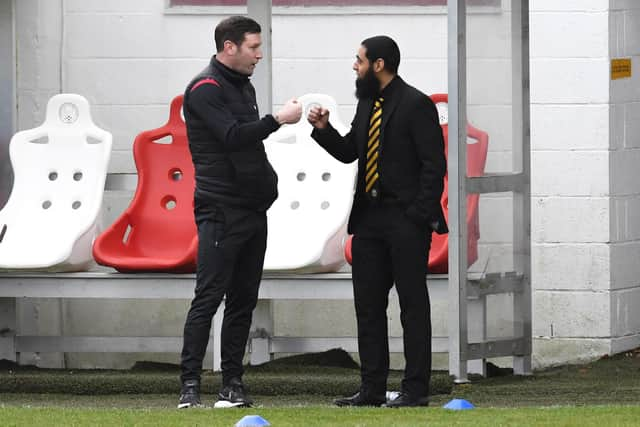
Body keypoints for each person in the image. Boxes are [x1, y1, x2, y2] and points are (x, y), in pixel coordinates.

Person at [307, 35, 447, 408]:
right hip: (368, 219)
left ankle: (415, 389)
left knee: (412, 306)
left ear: (379, 64)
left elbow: (434, 167)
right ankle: (371, 388)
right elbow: (351, 150)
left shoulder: (416, 104)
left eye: (360, 60)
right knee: (368, 305)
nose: (355, 66)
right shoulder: (367, 101)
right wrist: (323, 130)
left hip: (406, 220)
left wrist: (417, 215)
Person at [178, 15, 302, 409]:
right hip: (220, 209)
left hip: (252, 209)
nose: (259, 55)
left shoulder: (242, 85)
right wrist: (277, 120)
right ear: (229, 47)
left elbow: (250, 146)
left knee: (244, 299)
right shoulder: (204, 88)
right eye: (253, 47)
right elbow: (232, 137)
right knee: (209, 296)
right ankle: (189, 387)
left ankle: (232, 384)